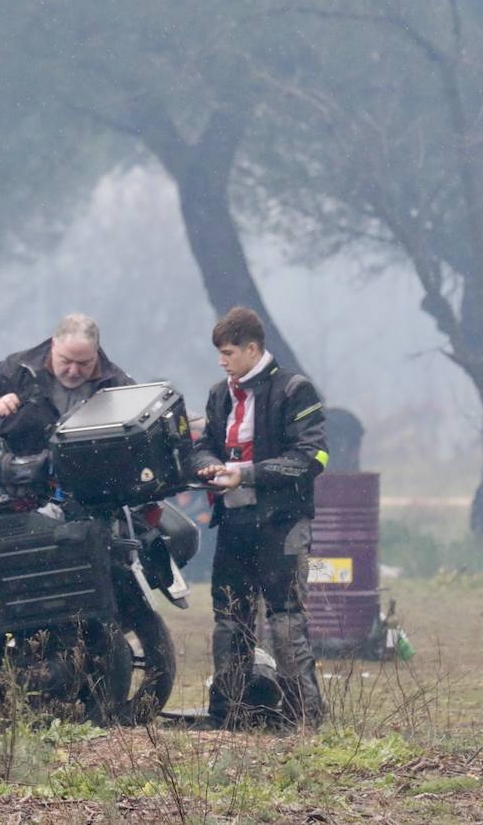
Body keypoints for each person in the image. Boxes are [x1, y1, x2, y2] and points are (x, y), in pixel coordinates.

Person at [192, 307, 328, 729]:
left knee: (285, 619)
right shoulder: (219, 395)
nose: (222, 361)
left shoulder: (295, 390)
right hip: (232, 522)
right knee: (229, 618)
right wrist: (211, 466)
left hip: (283, 523)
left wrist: (246, 474)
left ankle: (304, 718)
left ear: (253, 349)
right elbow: (202, 447)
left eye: (229, 352)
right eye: (219, 353)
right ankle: (228, 714)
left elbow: (311, 458)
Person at [0, 313, 134, 458]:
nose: (73, 371)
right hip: (25, 484)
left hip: (92, 483)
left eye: (84, 364)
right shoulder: (21, 368)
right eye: (66, 361)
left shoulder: (117, 385)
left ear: (95, 353)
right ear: (53, 345)